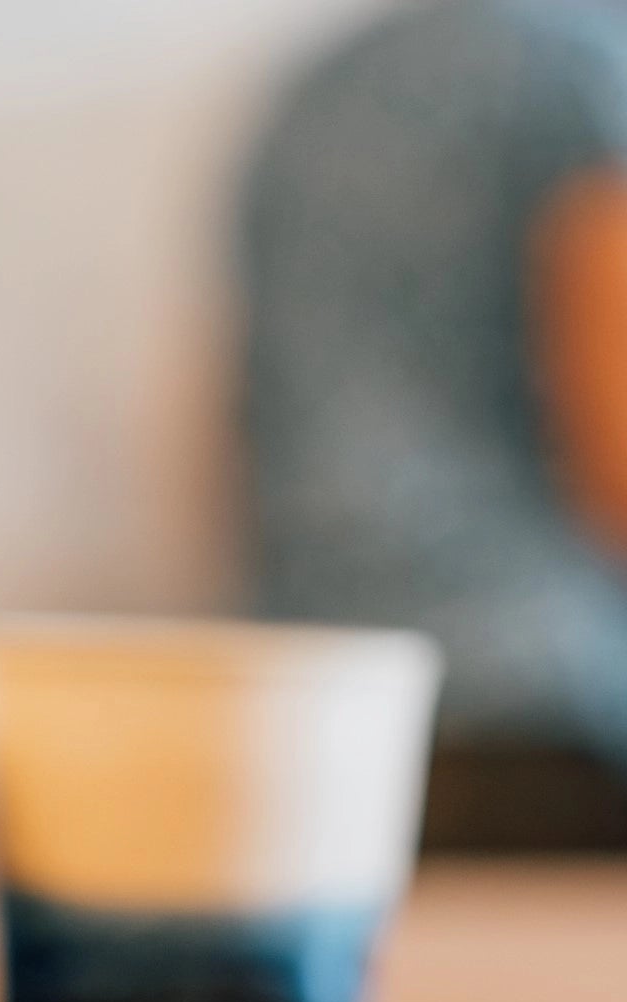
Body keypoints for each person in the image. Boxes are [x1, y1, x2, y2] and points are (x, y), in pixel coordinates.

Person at [239, 0, 627, 849]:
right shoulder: (585, 71)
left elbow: (231, 429)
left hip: (318, 720)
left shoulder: (323, 86)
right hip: (550, 709)